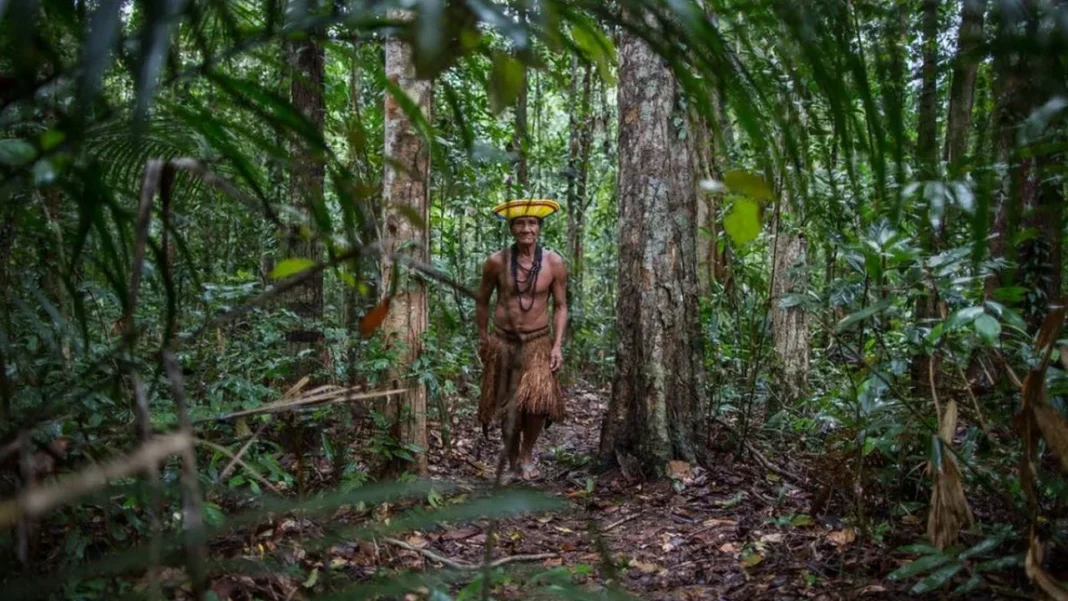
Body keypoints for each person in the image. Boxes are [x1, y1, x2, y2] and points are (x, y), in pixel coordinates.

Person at [476, 199, 568, 481]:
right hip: (504, 341)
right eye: (519, 223)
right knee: (508, 402)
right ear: (512, 228)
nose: (526, 229)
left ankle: (527, 454)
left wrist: (557, 345)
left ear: (539, 228)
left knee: (538, 403)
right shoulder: (496, 262)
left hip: (538, 342)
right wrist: (483, 337)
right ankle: (513, 458)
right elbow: (482, 300)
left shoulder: (553, 263)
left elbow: (561, 305)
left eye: (531, 223)